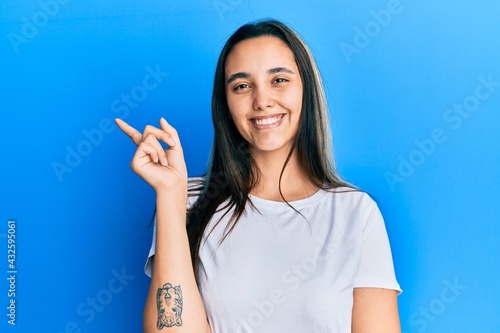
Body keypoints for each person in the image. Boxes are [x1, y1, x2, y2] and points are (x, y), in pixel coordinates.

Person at [116, 19, 401, 333]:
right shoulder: (189, 200)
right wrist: (170, 196)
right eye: (241, 85)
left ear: (306, 89)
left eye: (279, 79)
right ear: (225, 104)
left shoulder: (355, 213)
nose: (261, 100)